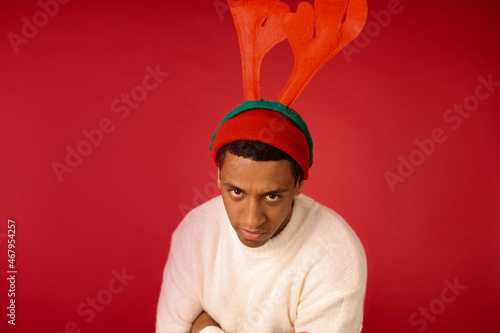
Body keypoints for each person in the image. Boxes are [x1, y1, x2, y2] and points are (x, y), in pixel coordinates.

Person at [156, 1, 368, 332]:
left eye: (272, 196)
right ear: (219, 177)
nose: (252, 218)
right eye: (236, 191)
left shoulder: (336, 254)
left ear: (299, 184)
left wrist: (204, 328)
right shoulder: (194, 232)